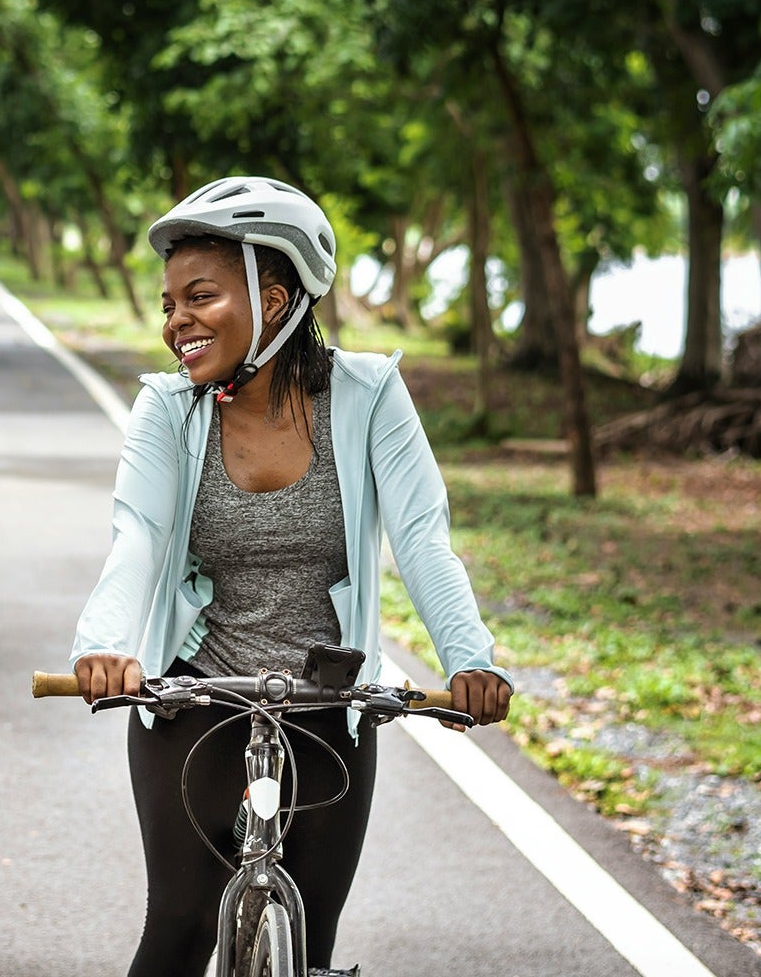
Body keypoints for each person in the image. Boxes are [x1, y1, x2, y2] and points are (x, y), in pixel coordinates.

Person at [68, 176, 512, 977]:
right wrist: (104, 646)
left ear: (274, 300)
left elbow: (420, 537)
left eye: (199, 297)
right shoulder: (169, 411)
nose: (176, 323)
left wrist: (469, 659)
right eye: (169, 304)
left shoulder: (369, 395)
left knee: (315, 946)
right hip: (195, 694)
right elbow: (136, 534)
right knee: (178, 924)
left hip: (329, 698)